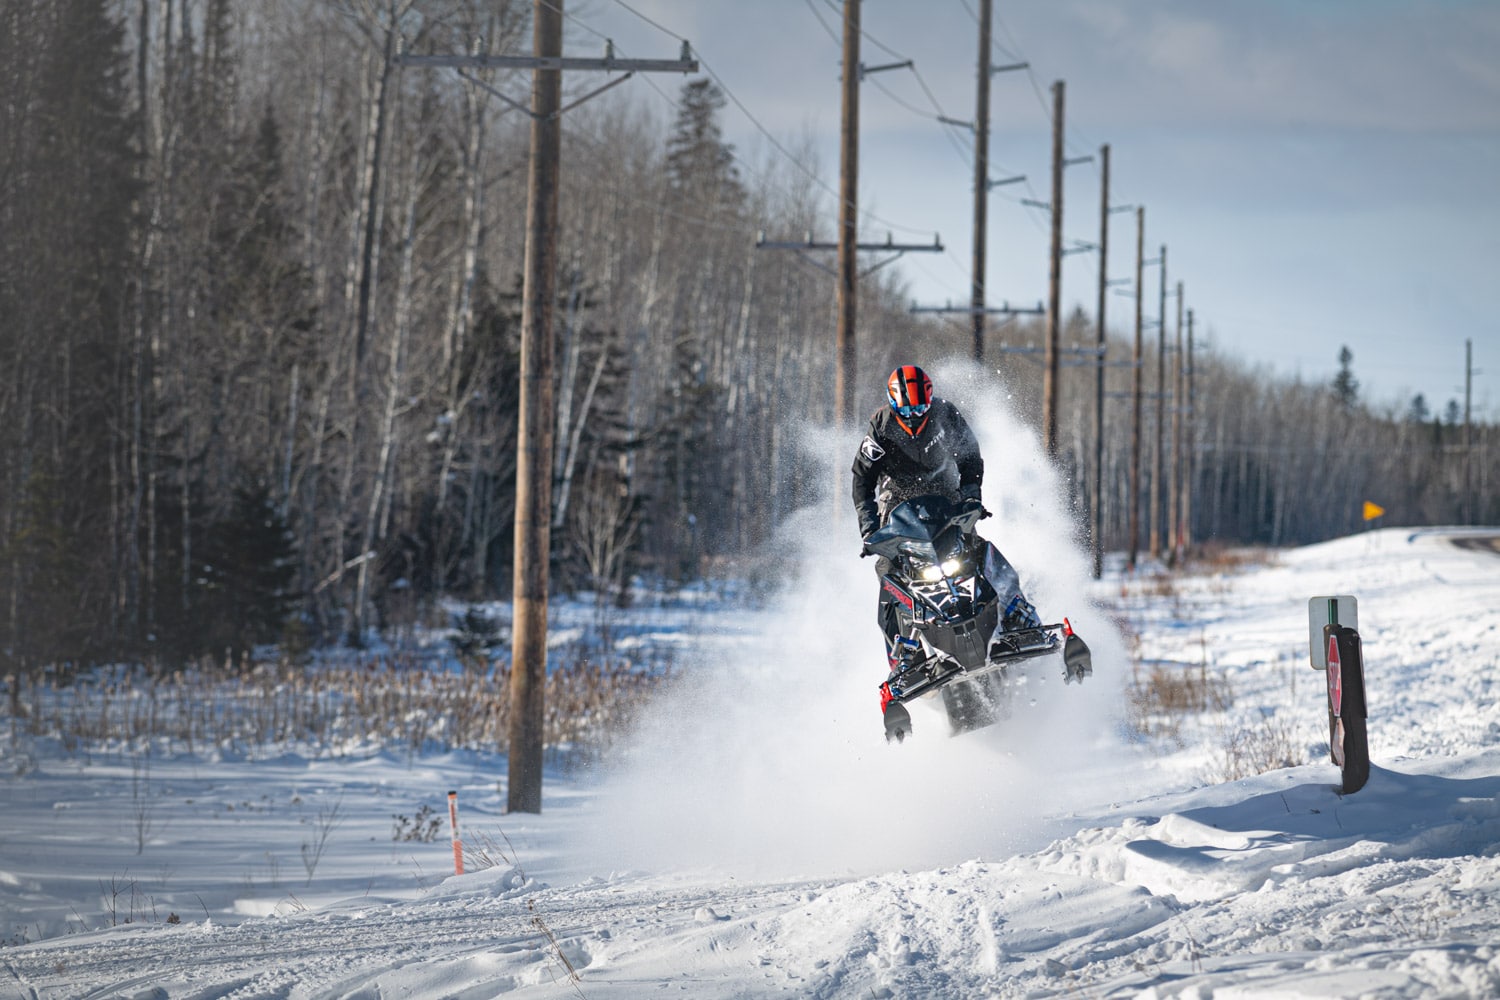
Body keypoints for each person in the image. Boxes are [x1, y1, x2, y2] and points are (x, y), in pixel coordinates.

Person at [852, 365, 986, 672]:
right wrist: (870, 529)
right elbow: (861, 480)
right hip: (898, 502)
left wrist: (971, 497)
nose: (913, 416)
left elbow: (970, 457)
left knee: (974, 545)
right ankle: (903, 659)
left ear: (930, 399)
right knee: (889, 570)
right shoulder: (880, 426)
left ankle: (1014, 614)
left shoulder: (946, 415)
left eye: (920, 408)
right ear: (892, 402)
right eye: (906, 409)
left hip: (945, 495)